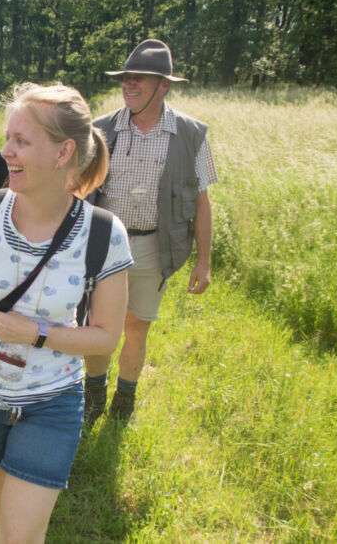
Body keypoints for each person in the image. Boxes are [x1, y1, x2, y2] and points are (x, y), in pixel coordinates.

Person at [0, 83, 134, 542]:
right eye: (8, 138)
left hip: (52, 404)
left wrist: (37, 332)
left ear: (63, 153)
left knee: (21, 535)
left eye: (21, 141)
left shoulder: (104, 234)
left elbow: (105, 338)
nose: (5, 151)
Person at [83, 39, 219, 424]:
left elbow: (202, 202)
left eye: (138, 79)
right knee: (97, 326)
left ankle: (123, 402)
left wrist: (204, 262)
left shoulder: (191, 135)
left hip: (153, 244)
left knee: (136, 325)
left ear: (163, 86)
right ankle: (93, 395)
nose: (128, 84)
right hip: (102, 246)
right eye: (125, 78)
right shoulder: (101, 130)